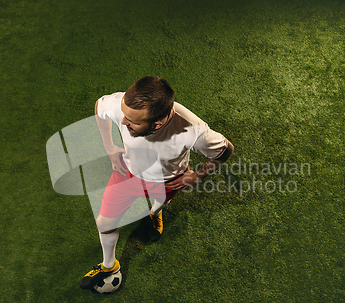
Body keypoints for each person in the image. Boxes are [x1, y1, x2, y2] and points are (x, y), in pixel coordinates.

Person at [79, 76, 234, 290]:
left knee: (158, 204)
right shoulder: (122, 106)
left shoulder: (192, 130)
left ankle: (154, 214)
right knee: (104, 223)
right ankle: (109, 266)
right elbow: (100, 106)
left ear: (157, 124)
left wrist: (196, 176)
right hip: (127, 175)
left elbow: (224, 151)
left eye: (132, 121)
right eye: (124, 115)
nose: (123, 122)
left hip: (166, 181)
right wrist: (109, 146)